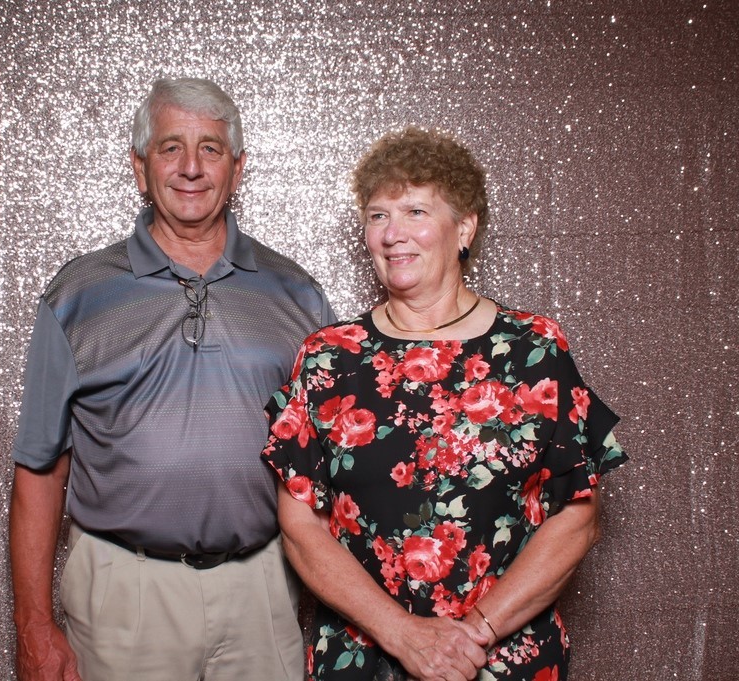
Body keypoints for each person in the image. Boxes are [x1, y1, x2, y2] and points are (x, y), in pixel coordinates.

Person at [263, 127, 627, 681]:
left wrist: (473, 633)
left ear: (465, 228)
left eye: (415, 211)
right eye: (378, 215)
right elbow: (300, 527)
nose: (393, 234)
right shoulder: (327, 358)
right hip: (365, 658)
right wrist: (403, 633)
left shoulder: (534, 350)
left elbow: (577, 518)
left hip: (502, 658)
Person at [8, 78, 335, 681]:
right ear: (140, 167)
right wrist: (33, 625)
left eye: (210, 148)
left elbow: (327, 469)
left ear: (237, 170)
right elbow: (39, 467)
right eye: (170, 148)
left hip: (262, 589)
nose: (191, 167)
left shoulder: (298, 295)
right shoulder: (77, 295)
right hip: (123, 595)